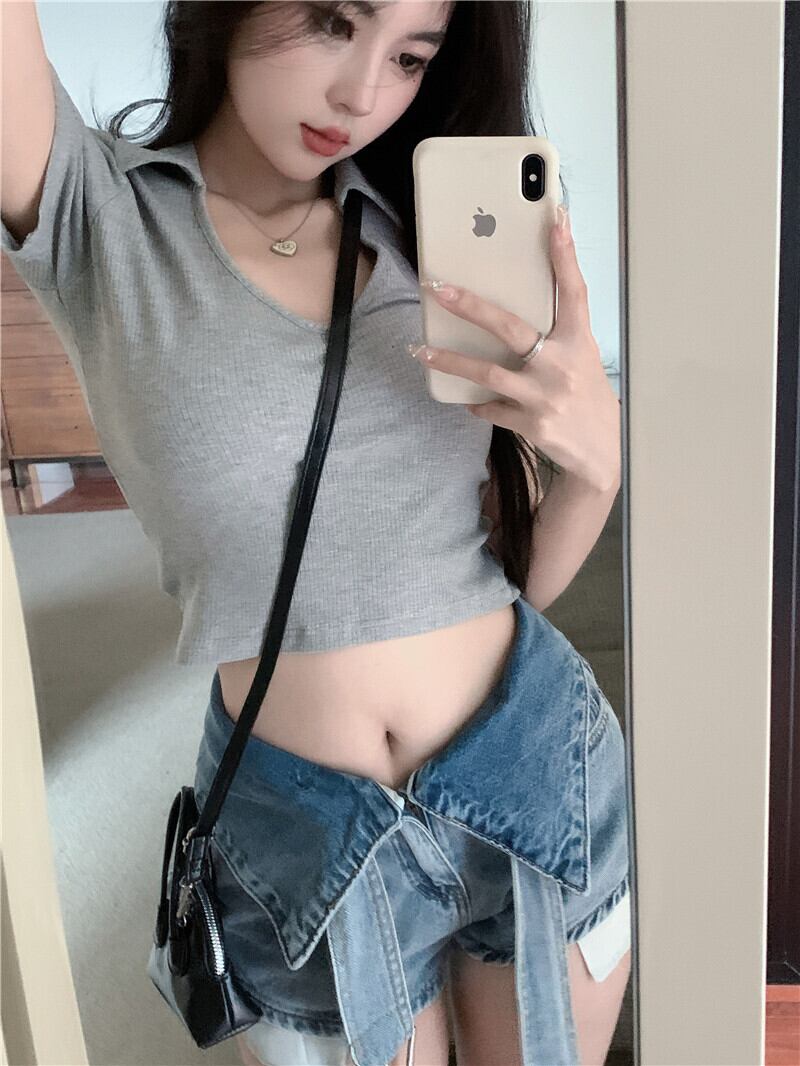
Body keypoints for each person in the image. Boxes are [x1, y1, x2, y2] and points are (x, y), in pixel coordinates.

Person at [1, 3, 631, 1064]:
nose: (362, 93)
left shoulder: (429, 235)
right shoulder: (96, 214)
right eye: (335, 20)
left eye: (410, 56)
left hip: (531, 769)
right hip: (298, 843)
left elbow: (505, 584)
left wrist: (595, 473)